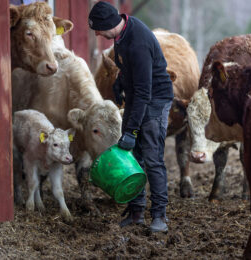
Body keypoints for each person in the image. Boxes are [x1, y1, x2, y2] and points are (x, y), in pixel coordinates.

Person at [89, 1, 174, 232]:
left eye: (97, 28)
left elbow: (145, 92)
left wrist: (132, 130)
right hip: (137, 95)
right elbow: (131, 72)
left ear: (108, 24)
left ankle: (159, 216)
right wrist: (120, 81)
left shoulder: (137, 42)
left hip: (155, 98)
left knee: (152, 157)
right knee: (132, 155)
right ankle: (136, 212)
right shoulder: (122, 34)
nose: (97, 33)